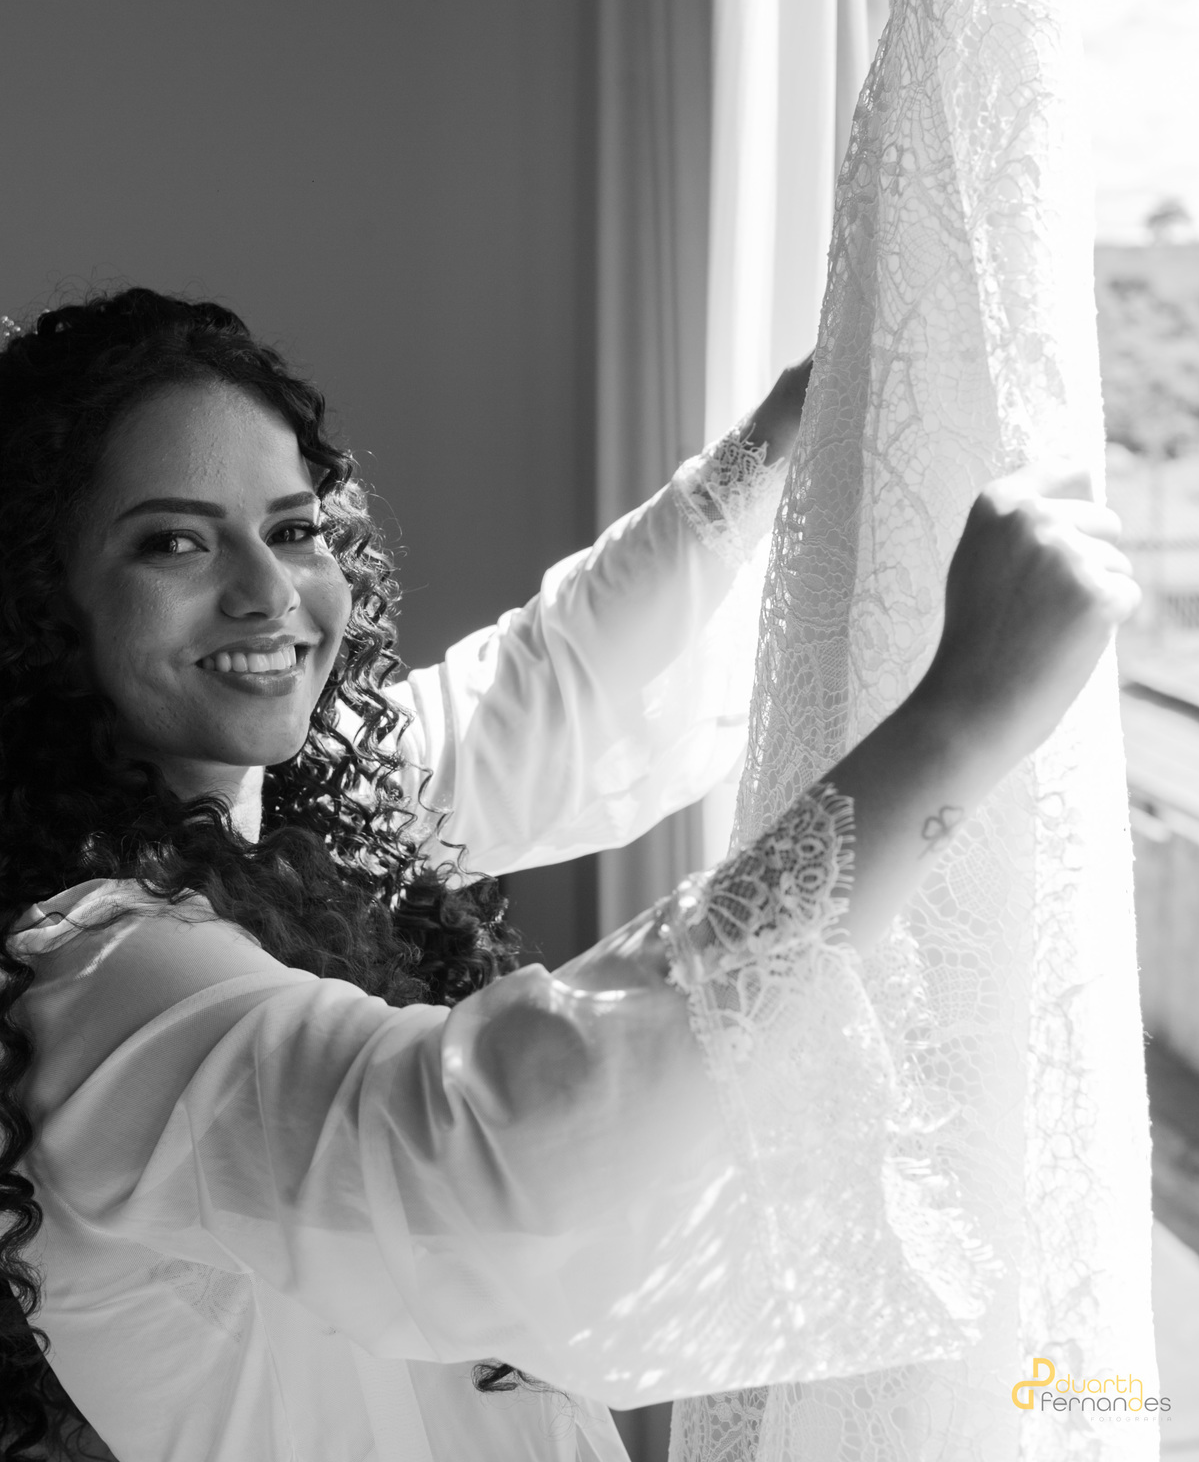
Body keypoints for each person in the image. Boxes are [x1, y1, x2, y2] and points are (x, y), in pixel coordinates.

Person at [0, 288, 1138, 1462]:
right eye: (174, 541)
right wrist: (957, 723)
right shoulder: (95, 980)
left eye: (292, 529)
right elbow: (497, 1154)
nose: (270, 592)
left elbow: (548, 689)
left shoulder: (271, 815)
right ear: (40, 603)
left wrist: (782, 435)